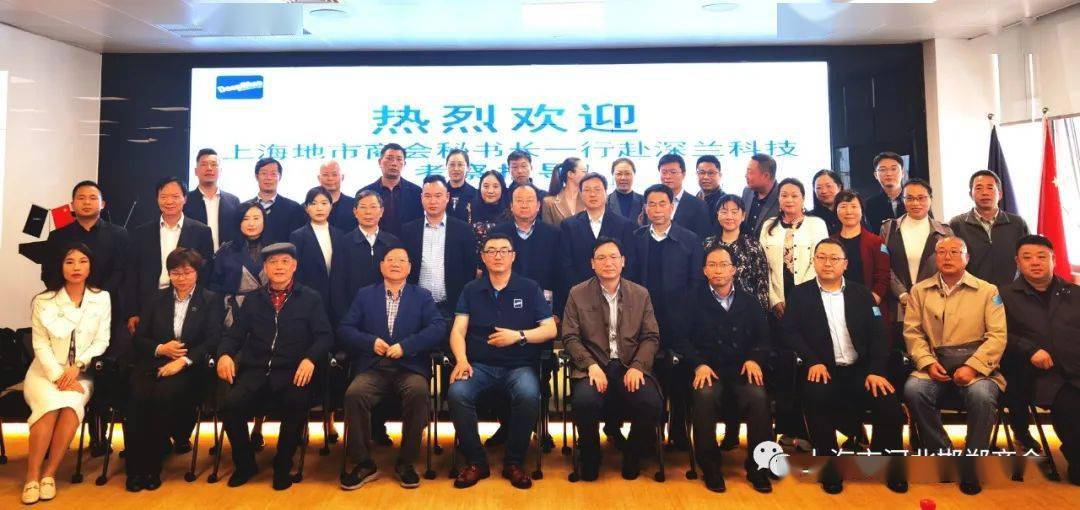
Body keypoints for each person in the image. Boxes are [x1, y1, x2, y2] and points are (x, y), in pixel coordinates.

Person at [785, 239, 907, 494]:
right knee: (816, 398)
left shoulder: (861, 294)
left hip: (861, 370)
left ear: (845, 264)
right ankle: (830, 468)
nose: (828, 263)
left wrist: (876, 371)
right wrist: (812, 361)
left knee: (890, 408)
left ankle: (886, 464)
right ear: (814, 261)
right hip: (823, 369)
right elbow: (790, 332)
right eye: (821, 257)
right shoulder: (800, 294)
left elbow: (879, 336)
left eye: (834, 258)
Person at [216, 243, 333, 491]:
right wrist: (225, 354)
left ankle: (282, 464)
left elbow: (325, 336)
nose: (279, 267)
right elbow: (234, 335)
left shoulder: (310, 298)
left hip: (292, 371)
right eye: (273, 262)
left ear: (294, 266)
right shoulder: (253, 300)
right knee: (229, 405)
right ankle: (245, 464)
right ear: (265, 268)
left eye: (284, 261)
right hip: (256, 371)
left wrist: (310, 358)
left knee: (296, 403)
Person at [447, 233, 558, 490]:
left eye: (504, 250)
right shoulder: (471, 289)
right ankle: (476, 462)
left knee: (529, 395)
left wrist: (518, 336)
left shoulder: (529, 288)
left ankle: (514, 462)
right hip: (479, 365)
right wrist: (461, 360)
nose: (498, 255)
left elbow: (550, 329)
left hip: (519, 366)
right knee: (457, 393)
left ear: (513, 256)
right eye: (491, 251)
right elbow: (458, 331)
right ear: (483, 257)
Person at [902, 236, 1006, 496]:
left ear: (967, 258)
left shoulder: (988, 291)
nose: (947, 257)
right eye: (941, 252)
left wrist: (973, 367)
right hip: (934, 365)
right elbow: (913, 333)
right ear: (935, 257)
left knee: (982, 395)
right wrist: (927, 362)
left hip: (978, 368)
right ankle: (942, 453)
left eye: (955, 252)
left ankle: (972, 463)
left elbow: (997, 336)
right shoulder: (919, 290)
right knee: (913, 390)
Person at [338, 247, 447, 490]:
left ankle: (406, 462)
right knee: (354, 394)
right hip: (374, 367)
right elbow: (345, 328)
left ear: (409, 268)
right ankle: (363, 463)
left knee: (418, 392)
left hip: (409, 367)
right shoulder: (365, 294)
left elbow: (438, 327)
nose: (395, 264)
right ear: (381, 266)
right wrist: (370, 342)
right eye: (390, 260)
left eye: (401, 260)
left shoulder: (422, 296)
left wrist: (406, 346)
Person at [676, 244, 774, 493]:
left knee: (758, 397)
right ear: (704, 270)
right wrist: (698, 364)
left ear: (734, 270)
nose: (718, 270)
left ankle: (759, 468)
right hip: (708, 369)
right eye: (712, 265)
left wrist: (754, 359)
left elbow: (764, 338)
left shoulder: (749, 301)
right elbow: (680, 339)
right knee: (705, 396)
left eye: (723, 265)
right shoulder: (691, 300)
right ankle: (710, 467)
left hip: (741, 369)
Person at [563, 237, 662, 481]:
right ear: (592, 263)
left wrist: (638, 366)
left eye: (613, 257)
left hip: (630, 365)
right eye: (601, 258)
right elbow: (570, 337)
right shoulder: (577, 293)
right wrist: (590, 365)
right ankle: (591, 455)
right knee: (584, 401)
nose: (608, 263)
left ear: (623, 261)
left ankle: (633, 453)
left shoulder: (640, 294)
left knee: (651, 402)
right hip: (593, 366)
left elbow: (651, 336)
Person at [125, 248, 223, 492]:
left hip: (189, 367)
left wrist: (184, 360)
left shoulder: (210, 299)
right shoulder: (155, 298)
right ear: (168, 274)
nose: (182, 278)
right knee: (136, 398)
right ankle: (135, 470)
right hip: (154, 362)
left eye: (187, 272)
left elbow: (213, 340)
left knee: (163, 396)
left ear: (197, 273)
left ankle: (152, 466)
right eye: (176, 273)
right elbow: (139, 339)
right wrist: (161, 348)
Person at [22, 244, 111, 505]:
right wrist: (57, 375)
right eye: (69, 262)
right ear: (60, 267)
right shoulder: (44, 301)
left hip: (80, 373)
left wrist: (78, 366)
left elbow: (102, 341)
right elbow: (40, 344)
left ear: (90, 267)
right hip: (44, 373)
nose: (76, 267)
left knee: (71, 407)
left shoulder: (102, 298)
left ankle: (49, 474)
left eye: (82, 261)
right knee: (49, 407)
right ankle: (32, 476)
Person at [1000, 235, 1080, 485]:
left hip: (1076, 368)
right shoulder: (1003, 296)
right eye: (1027, 257)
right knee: (1071, 408)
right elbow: (998, 335)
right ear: (1017, 262)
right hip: (1039, 376)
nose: (1035, 262)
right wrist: (1030, 349)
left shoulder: (1074, 293)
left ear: (1053, 259)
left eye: (1042, 256)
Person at [759, 177, 828, 451]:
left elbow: (820, 262)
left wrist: (799, 301)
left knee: (806, 366)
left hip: (808, 304)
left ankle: (808, 430)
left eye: (794, 195)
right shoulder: (769, 226)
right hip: (777, 305)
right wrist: (775, 299)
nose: (789, 200)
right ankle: (786, 429)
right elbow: (763, 268)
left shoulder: (816, 224)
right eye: (784, 195)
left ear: (803, 199)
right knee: (784, 367)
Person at [633, 183, 704, 449]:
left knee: (680, 377)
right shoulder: (637, 238)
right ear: (645, 208)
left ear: (672, 207)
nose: (657, 209)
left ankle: (678, 431)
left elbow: (696, 282)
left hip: (680, 321)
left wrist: (686, 318)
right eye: (651, 204)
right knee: (650, 375)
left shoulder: (689, 239)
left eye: (662, 203)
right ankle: (651, 431)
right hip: (644, 321)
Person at [125, 177, 214, 336]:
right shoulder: (141, 232)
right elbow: (132, 273)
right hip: (149, 302)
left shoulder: (202, 231)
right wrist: (133, 311)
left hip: (187, 302)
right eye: (164, 196)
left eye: (175, 196)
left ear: (185, 198)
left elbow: (205, 271)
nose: (169, 201)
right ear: (157, 199)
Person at [880, 179, 953, 340]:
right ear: (903, 200)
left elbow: (950, 268)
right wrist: (902, 294)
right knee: (902, 348)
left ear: (930, 199)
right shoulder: (889, 228)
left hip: (934, 304)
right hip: (898, 306)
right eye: (910, 198)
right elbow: (884, 265)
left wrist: (923, 295)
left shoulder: (944, 231)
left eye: (921, 198)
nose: (915, 203)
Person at [402, 175, 478, 318]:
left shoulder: (463, 230)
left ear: (447, 197)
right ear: (421, 198)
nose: (433, 201)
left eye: (438, 196)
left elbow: (470, 270)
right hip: (416, 306)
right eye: (428, 196)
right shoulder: (408, 231)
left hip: (453, 307)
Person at [560, 173, 637, 303]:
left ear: (606, 193)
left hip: (617, 297)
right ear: (580, 194)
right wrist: (580, 292)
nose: (592, 194)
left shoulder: (625, 225)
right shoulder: (568, 225)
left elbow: (630, 262)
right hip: (580, 297)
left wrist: (616, 291)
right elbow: (566, 264)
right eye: (587, 190)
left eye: (597, 189)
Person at [289, 187, 349, 325]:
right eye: (314, 203)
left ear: (331, 206)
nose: (319, 208)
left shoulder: (340, 235)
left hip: (338, 301)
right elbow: (296, 272)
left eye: (324, 203)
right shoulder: (298, 236)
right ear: (306, 208)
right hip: (309, 299)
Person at [491, 184, 560, 303]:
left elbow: (559, 272)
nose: (524, 205)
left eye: (529, 200)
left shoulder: (553, 234)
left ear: (538, 206)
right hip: (505, 298)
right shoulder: (497, 233)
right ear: (511, 206)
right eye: (519, 201)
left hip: (542, 300)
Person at [704, 194, 770, 312]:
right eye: (724, 212)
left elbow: (762, 283)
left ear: (743, 216)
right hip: (711, 308)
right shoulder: (708, 244)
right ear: (717, 215)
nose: (729, 216)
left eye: (734, 212)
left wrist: (760, 314)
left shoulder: (753, 245)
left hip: (746, 311)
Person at [209, 201, 267, 325]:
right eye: (245, 219)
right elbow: (215, 286)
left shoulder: (274, 248)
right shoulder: (225, 250)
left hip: (268, 309)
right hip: (236, 311)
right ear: (238, 222)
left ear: (264, 221)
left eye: (256, 218)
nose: (251, 223)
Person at [341, 190, 402, 301]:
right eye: (363, 207)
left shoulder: (393, 242)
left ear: (381, 211)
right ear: (355, 212)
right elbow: (338, 283)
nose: (368, 212)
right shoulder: (344, 243)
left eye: (373, 207)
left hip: (387, 305)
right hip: (353, 306)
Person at [359, 143, 424, 237]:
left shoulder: (416, 192)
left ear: (404, 164)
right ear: (380, 162)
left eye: (399, 159)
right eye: (389, 158)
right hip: (375, 244)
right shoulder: (365, 193)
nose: (394, 163)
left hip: (407, 244)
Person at [184, 148, 241, 250]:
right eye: (204, 164)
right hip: (194, 257)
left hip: (227, 257)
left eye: (214, 164)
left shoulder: (233, 201)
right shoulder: (185, 200)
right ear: (196, 171)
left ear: (220, 170)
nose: (209, 168)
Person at [252, 157, 306, 244]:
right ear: (256, 176)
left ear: (280, 177)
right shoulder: (246, 208)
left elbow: (297, 241)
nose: (268, 178)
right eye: (264, 173)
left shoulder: (293, 208)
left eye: (273, 174)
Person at [658, 153, 710, 239]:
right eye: (664, 172)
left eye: (673, 172)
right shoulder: (651, 203)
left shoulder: (698, 205)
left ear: (683, 174)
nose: (667, 176)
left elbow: (702, 237)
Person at [864, 152, 907, 234]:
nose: (889, 174)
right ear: (876, 175)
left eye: (893, 169)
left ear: (903, 173)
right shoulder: (869, 204)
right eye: (883, 169)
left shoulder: (914, 200)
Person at [739, 153, 779, 237]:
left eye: (750, 172)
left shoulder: (783, 196)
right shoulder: (747, 192)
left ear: (766, 176)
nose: (746, 176)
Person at [467, 170, 510, 246]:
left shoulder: (510, 211)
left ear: (502, 188)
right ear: (480, 188)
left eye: (495, 186)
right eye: (486, 186)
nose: (490, 191)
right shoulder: (469, 208)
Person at [541, 157, 586, 226]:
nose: (587, 175)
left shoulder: (587, 199)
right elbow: (547, 230)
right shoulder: (549, 203)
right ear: (570, 174)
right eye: (584, 171)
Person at [319, 160, 359, 233]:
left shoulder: (355, 205)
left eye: (334, 174)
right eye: (325, 175)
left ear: (342, 177)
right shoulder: (308, 207)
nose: (330, 178)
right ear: (319, 178)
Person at [606, 158, 644, 224]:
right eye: (619, 174)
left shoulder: (644, 201)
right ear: (613, 175)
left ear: (634, 175)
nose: (623, 178)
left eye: (627, 173)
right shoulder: (606, 202)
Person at [446, 149, 478, 222]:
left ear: (468, 168)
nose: (456, 169)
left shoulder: (476, 194)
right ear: (446, 166)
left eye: (460, 165)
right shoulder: (439, 193)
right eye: (452, 165)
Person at [810, 169, 844, 235]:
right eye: (819, 187)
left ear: (839, 187)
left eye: (828, 186)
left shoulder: (849, 214)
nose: (824, 191)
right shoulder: (810, 218)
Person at [695, 155, 724, 230]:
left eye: (711, 173)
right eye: (702, 173)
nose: (706, 177)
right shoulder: (692, 200)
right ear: (697, 174)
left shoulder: (725, 202)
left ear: (720, 175)